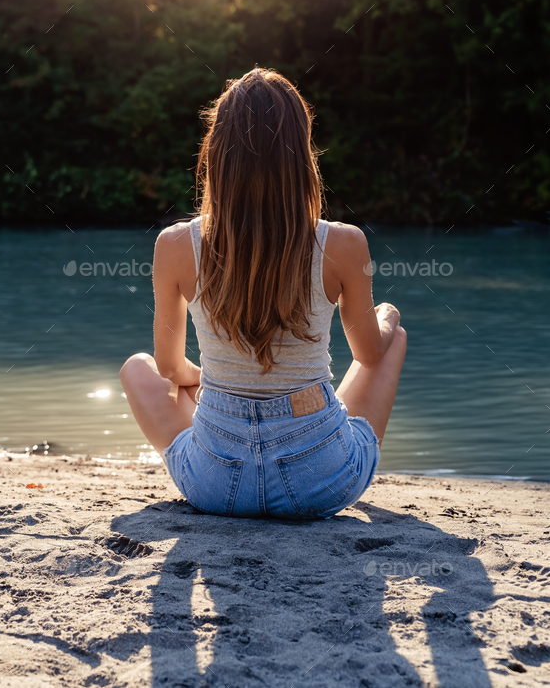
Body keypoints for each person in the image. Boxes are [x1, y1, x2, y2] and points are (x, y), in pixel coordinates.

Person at [120, 67, 406, 519]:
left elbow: (171, 368)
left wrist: (217, 387)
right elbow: (369, 356)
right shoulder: (344, 243)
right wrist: (387, 318)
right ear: (301, 154)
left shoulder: (175, 245)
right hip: (321, 482)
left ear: (217, 154)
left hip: (215, 485)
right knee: (392, 336)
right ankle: (319, 432)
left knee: (138, 368)